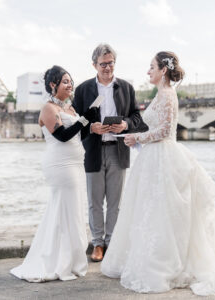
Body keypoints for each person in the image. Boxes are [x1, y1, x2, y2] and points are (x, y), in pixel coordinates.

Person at [101, 52, 215, 296]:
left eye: (151, 67)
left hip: (163, 158)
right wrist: (132, 133)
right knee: (149, 211)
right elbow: (155, 126)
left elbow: (166, 131)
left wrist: (138, 137)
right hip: (153, 158)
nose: (148, 71)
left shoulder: (167, 95)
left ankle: (163, 263)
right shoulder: (161, 94)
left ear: (163, 70)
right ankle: (148, 256)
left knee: (162, 213)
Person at [10, 65, 97, 282]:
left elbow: (80, 134)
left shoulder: (69, 109)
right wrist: (85, 119)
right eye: (65, 81)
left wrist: (91, 123)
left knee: (73, 210)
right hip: (60, 165)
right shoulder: (48, 109)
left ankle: (71, 260)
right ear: (53, 85)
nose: (70, 85)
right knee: (66, 210)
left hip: (76, 164)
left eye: (71, 81)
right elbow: (63, 135)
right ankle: (59, 261)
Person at [72, 44, 148, 262]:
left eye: (111, 63)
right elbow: (76, 120)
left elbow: (136, 117)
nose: (107, 67)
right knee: (94, 201)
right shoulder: (84, 89)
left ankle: (112, 242)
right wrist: (90, 127)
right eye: (103, 64)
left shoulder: (126, 87)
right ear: (94, 64)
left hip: (119, 149)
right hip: (93, 151)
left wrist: (125, 124)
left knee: (116, 202)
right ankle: (97, 243)